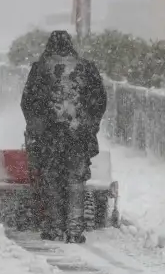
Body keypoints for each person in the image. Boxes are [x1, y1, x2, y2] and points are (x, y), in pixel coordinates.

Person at [21, 31, 107, 243]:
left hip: (49, 135)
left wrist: (36, 127)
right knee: (75, 179)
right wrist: (90, 124)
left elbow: (28, 102)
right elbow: (99, 100)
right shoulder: (87, 68)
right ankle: (75, 228)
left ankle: (54, 227)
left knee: (52, 179)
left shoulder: (40, 68)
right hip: (78, 134)